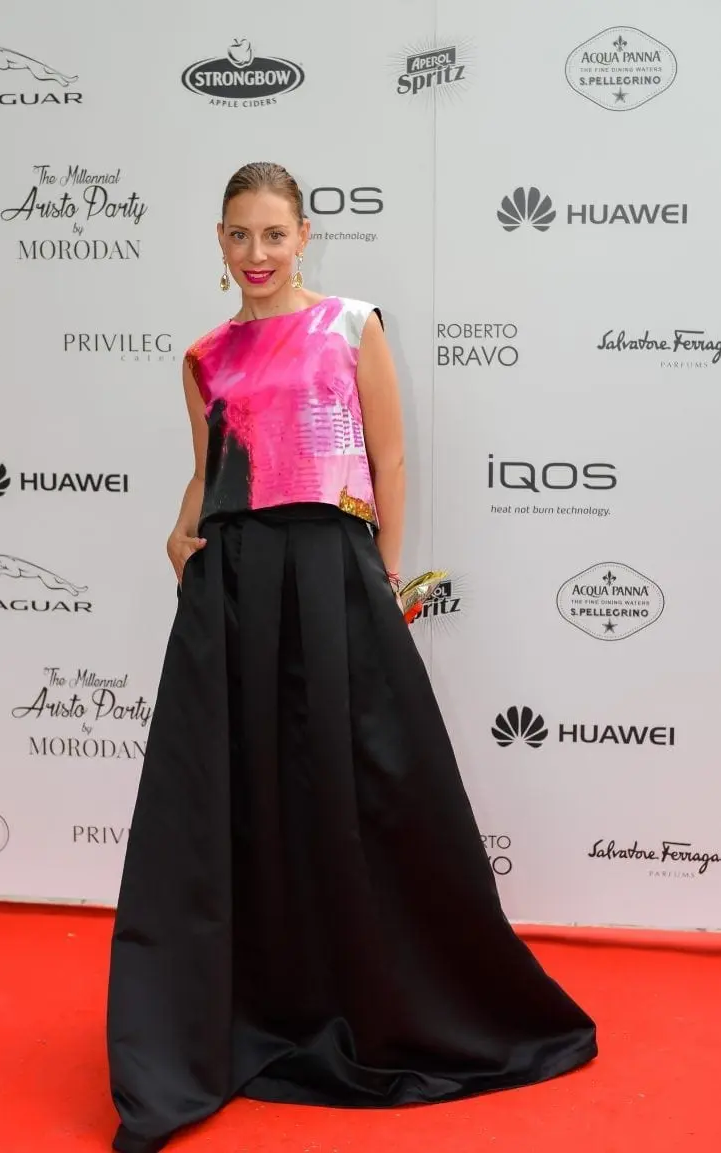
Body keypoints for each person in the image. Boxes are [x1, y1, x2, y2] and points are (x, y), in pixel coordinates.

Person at [106, 161, 597, 1153]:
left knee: (364, 780)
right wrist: (178, 531)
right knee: (237, 793)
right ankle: (250, 998)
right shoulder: (204, 354)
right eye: (238, 234)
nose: (255, 253)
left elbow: (388, 457)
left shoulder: (349, 325)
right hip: (231, 585)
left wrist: (382, 573)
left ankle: (387, 987)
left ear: (303, 235)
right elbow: (206, 472)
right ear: (218, 241)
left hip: (333, 570)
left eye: (272, 234)